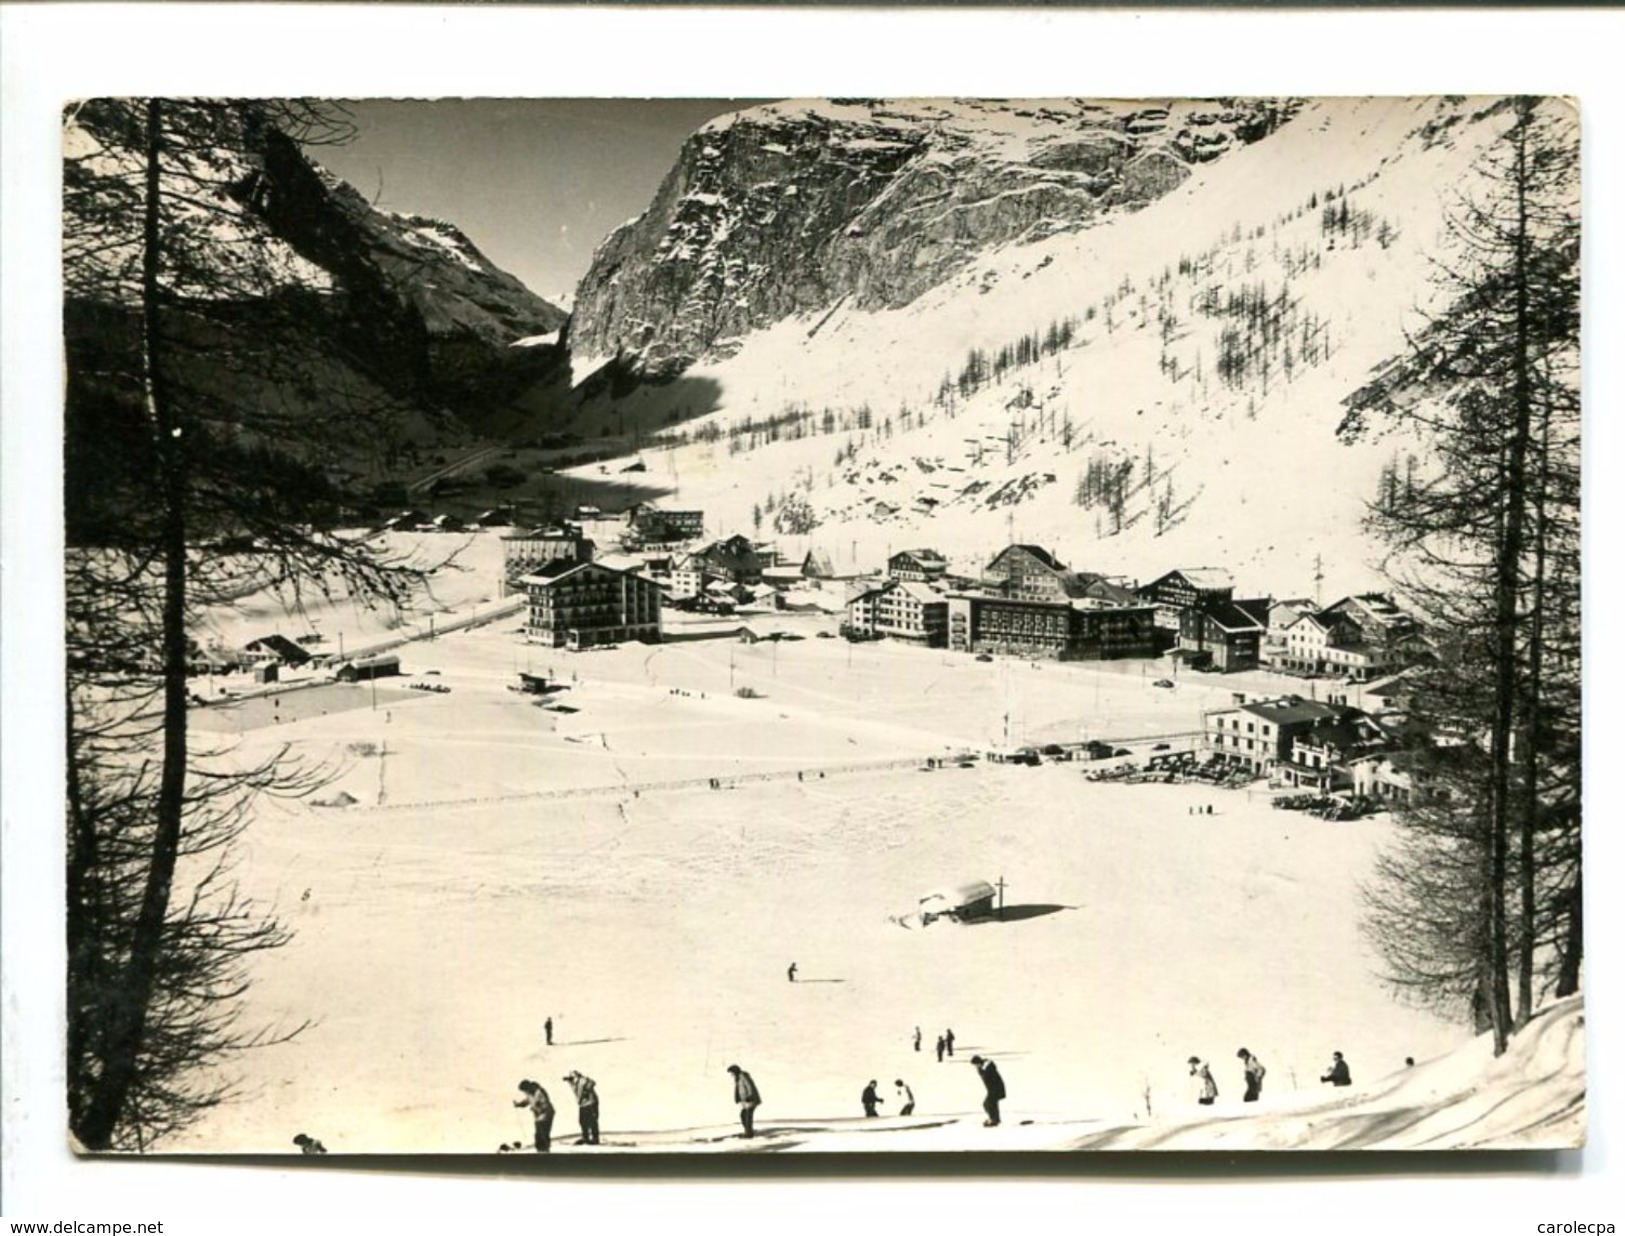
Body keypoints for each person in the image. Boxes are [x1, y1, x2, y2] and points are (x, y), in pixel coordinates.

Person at [513, 1079, 554, 1153]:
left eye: (524, 1090)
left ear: (528, 1087)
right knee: (539, 1133)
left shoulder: (539, 1092)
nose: (524, 1092)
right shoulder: (529, 1093)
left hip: (547, 1113)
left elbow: (545, 1103)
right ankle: (541, 1150)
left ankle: (545, 1150)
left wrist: (537, 1107)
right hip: (539, 1116)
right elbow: (526, 1101)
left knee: (542, 1132)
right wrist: (518, 1104)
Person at [563, 1070, 600, 1145]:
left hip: (591, 1102)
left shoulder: (582, 1080)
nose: (570, 1080)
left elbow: (592, 1083)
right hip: (583, 1104)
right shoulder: (573, 1084)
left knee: (592, 1121)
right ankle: (585, 1137)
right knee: (582, 1121)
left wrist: (586, 1091)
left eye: (572, 1078)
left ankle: (595, 1139)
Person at [970, 1055, 1005, 1126]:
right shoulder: (985, 1067)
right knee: (991, 1104)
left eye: (976, 1065)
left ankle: (994, 1120)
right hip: (993, 1089)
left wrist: (980, 1071)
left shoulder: (988, 1067)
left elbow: (986, 1077)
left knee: (988, 1104)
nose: (975, 1067)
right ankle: (995, 1119)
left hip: (996, 1089)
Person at [728, 1064, 762, 1139]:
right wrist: (738, 1098)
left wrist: (750, 1095)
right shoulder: (738, 1078)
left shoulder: (743, 1077)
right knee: (744, 1115)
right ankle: (748, 1131)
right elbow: (738, 1089)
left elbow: (749, 1086)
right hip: (746, 1101)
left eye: (732, 1073)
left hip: (751, 1099)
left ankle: (748, 1133)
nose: (731, 1075)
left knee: (747, 1116)